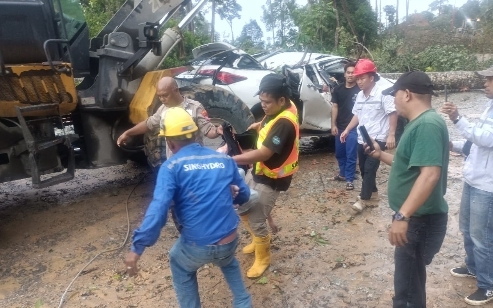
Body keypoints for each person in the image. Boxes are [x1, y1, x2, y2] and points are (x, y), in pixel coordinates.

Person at [124, 107, 252, 308]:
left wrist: (137, 247)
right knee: (227, 260)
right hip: (229, 239)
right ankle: (243, 302)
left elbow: (158, 210)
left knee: (180, 264)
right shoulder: (224, 160)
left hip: (197, 245)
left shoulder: (171, 167)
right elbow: (243, 195)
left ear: (170, 142)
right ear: (195, 134)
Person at [365, 71, 449, 308]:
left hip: (418, 220)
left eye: (395, 95)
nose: (394, 100)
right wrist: (380, 154)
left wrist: (403, 216)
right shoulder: (419, 124)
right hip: (415, 218)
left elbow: (430, 174)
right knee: (408, 284)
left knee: (408, 291)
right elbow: (410, 165)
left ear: (408, 94)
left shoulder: (427, 124)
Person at [232, 73, 299, 278]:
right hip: (260, 170)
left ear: (281, 100)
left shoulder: (285, 123)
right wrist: (259, 125)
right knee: (242, 204)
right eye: (261, 101)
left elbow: (265, 153)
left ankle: (263, 257)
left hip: (273, 177)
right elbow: (270, 120)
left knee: (257, 218)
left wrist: (232, 159)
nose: (263, 106)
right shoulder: (282, 106)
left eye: (267, 102)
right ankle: (256, 240)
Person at [442, 65, 493, 306]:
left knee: (483, 236)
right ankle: (473, 267)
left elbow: (486, 138)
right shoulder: (489, 107)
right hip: (474, 180)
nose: (486, 84)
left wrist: (457, 119)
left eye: (491, 80)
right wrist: (453, 144)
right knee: (466, 228)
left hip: (488, 186)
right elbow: (475, 144)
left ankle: (488, 285)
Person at [117, 76, 222, 167]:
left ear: (176, 90)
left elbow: (209, 131)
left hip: (194, 161)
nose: (162, 99)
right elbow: (149, 123)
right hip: (174, 162)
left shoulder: (195, 107)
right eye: (159, 96)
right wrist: (128, 133)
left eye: (165, 95)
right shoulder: (163, 109)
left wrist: (218, 131)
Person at [340, 59, 397, 213]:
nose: (359, 81)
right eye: (357, 78)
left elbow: (392, 113)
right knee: (364, 168)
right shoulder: (359, 96)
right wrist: (347, 129)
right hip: (362, 137)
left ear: (372, 77)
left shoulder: (383, 94)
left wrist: (391, 135)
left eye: (362, 78)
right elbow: (357, 115)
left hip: (378, 138)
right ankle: (374, 193)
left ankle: (363, 199)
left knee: (370, 169)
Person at [330, 61, 359, 190]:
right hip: (340, 127)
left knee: (351, 153)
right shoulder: (338, 89)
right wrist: (333, 124)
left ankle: (350, 179)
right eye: (348, 72)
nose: (350, 75)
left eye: (353, 72)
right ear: (345, 74)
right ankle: (342, 174)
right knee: (340, 153)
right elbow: (335, 107)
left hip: (354, 128)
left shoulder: (360, 90)